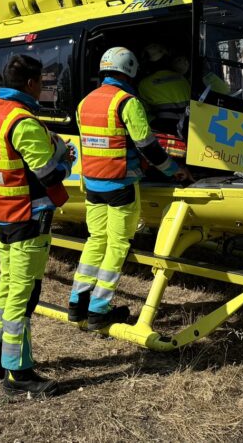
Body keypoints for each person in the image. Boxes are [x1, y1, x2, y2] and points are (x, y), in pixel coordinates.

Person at [68, 47, 194, 330]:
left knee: (95, 239)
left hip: (92, 184)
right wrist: (176, 172)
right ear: (132, 71)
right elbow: (147, 145)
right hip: (120, 184)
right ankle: (100, 308)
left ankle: (78, 302)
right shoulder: (127, 102)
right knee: (117, 244)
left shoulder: (84, 103)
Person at [0, 54, 74, 396]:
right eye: (44, 83)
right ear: (32, 84)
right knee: (24, 295)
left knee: (6, 288)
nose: (44, 89)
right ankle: (19, 375)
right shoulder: (24, 123)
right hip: (28, 218)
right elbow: (47, 175)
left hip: (2, 215)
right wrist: (65, 161)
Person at [138, 43, 190, 134]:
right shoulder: (182, 79)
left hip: (163, 130)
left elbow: (142, 113)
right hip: (188, 127)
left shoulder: (144, 84)